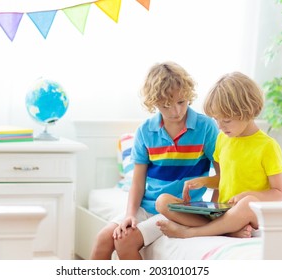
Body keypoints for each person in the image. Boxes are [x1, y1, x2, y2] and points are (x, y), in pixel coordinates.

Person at [90, 61, 219, 260]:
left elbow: (222, 175)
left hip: (179, 209)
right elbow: (138, 182)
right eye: (167, 105)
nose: (176, 111)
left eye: (181, 102)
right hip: (145, 206)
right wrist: (130, 214)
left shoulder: (206, 127)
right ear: (154, 103)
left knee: (125, 242)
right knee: (102, 240)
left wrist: (214, 216)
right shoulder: (145, 131)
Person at [155, 71, 282, 238]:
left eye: (226, 120)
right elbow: (224, 180)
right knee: (163, 201)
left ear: (248, 111)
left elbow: (279, 193)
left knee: (247, 204)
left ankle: (193, 232)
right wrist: (203, 181)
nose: (220, 126)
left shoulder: (267, 146)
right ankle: (228, 230)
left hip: (249, 214)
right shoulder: (223, 139)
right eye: (216, 119)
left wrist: (250, 195)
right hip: (224, 210)